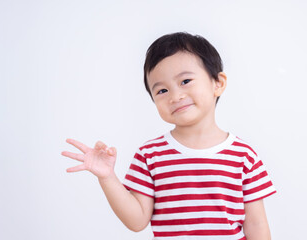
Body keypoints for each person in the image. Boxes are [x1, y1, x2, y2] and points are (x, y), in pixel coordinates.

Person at [61, 32, 276, 239]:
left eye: (185, 81)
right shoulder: (150, 155)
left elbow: (256, 224)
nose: (175, 96)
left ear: (217, 83)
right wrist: (107, 177)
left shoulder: (244, 156)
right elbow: (136, 221)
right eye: (162, 91)